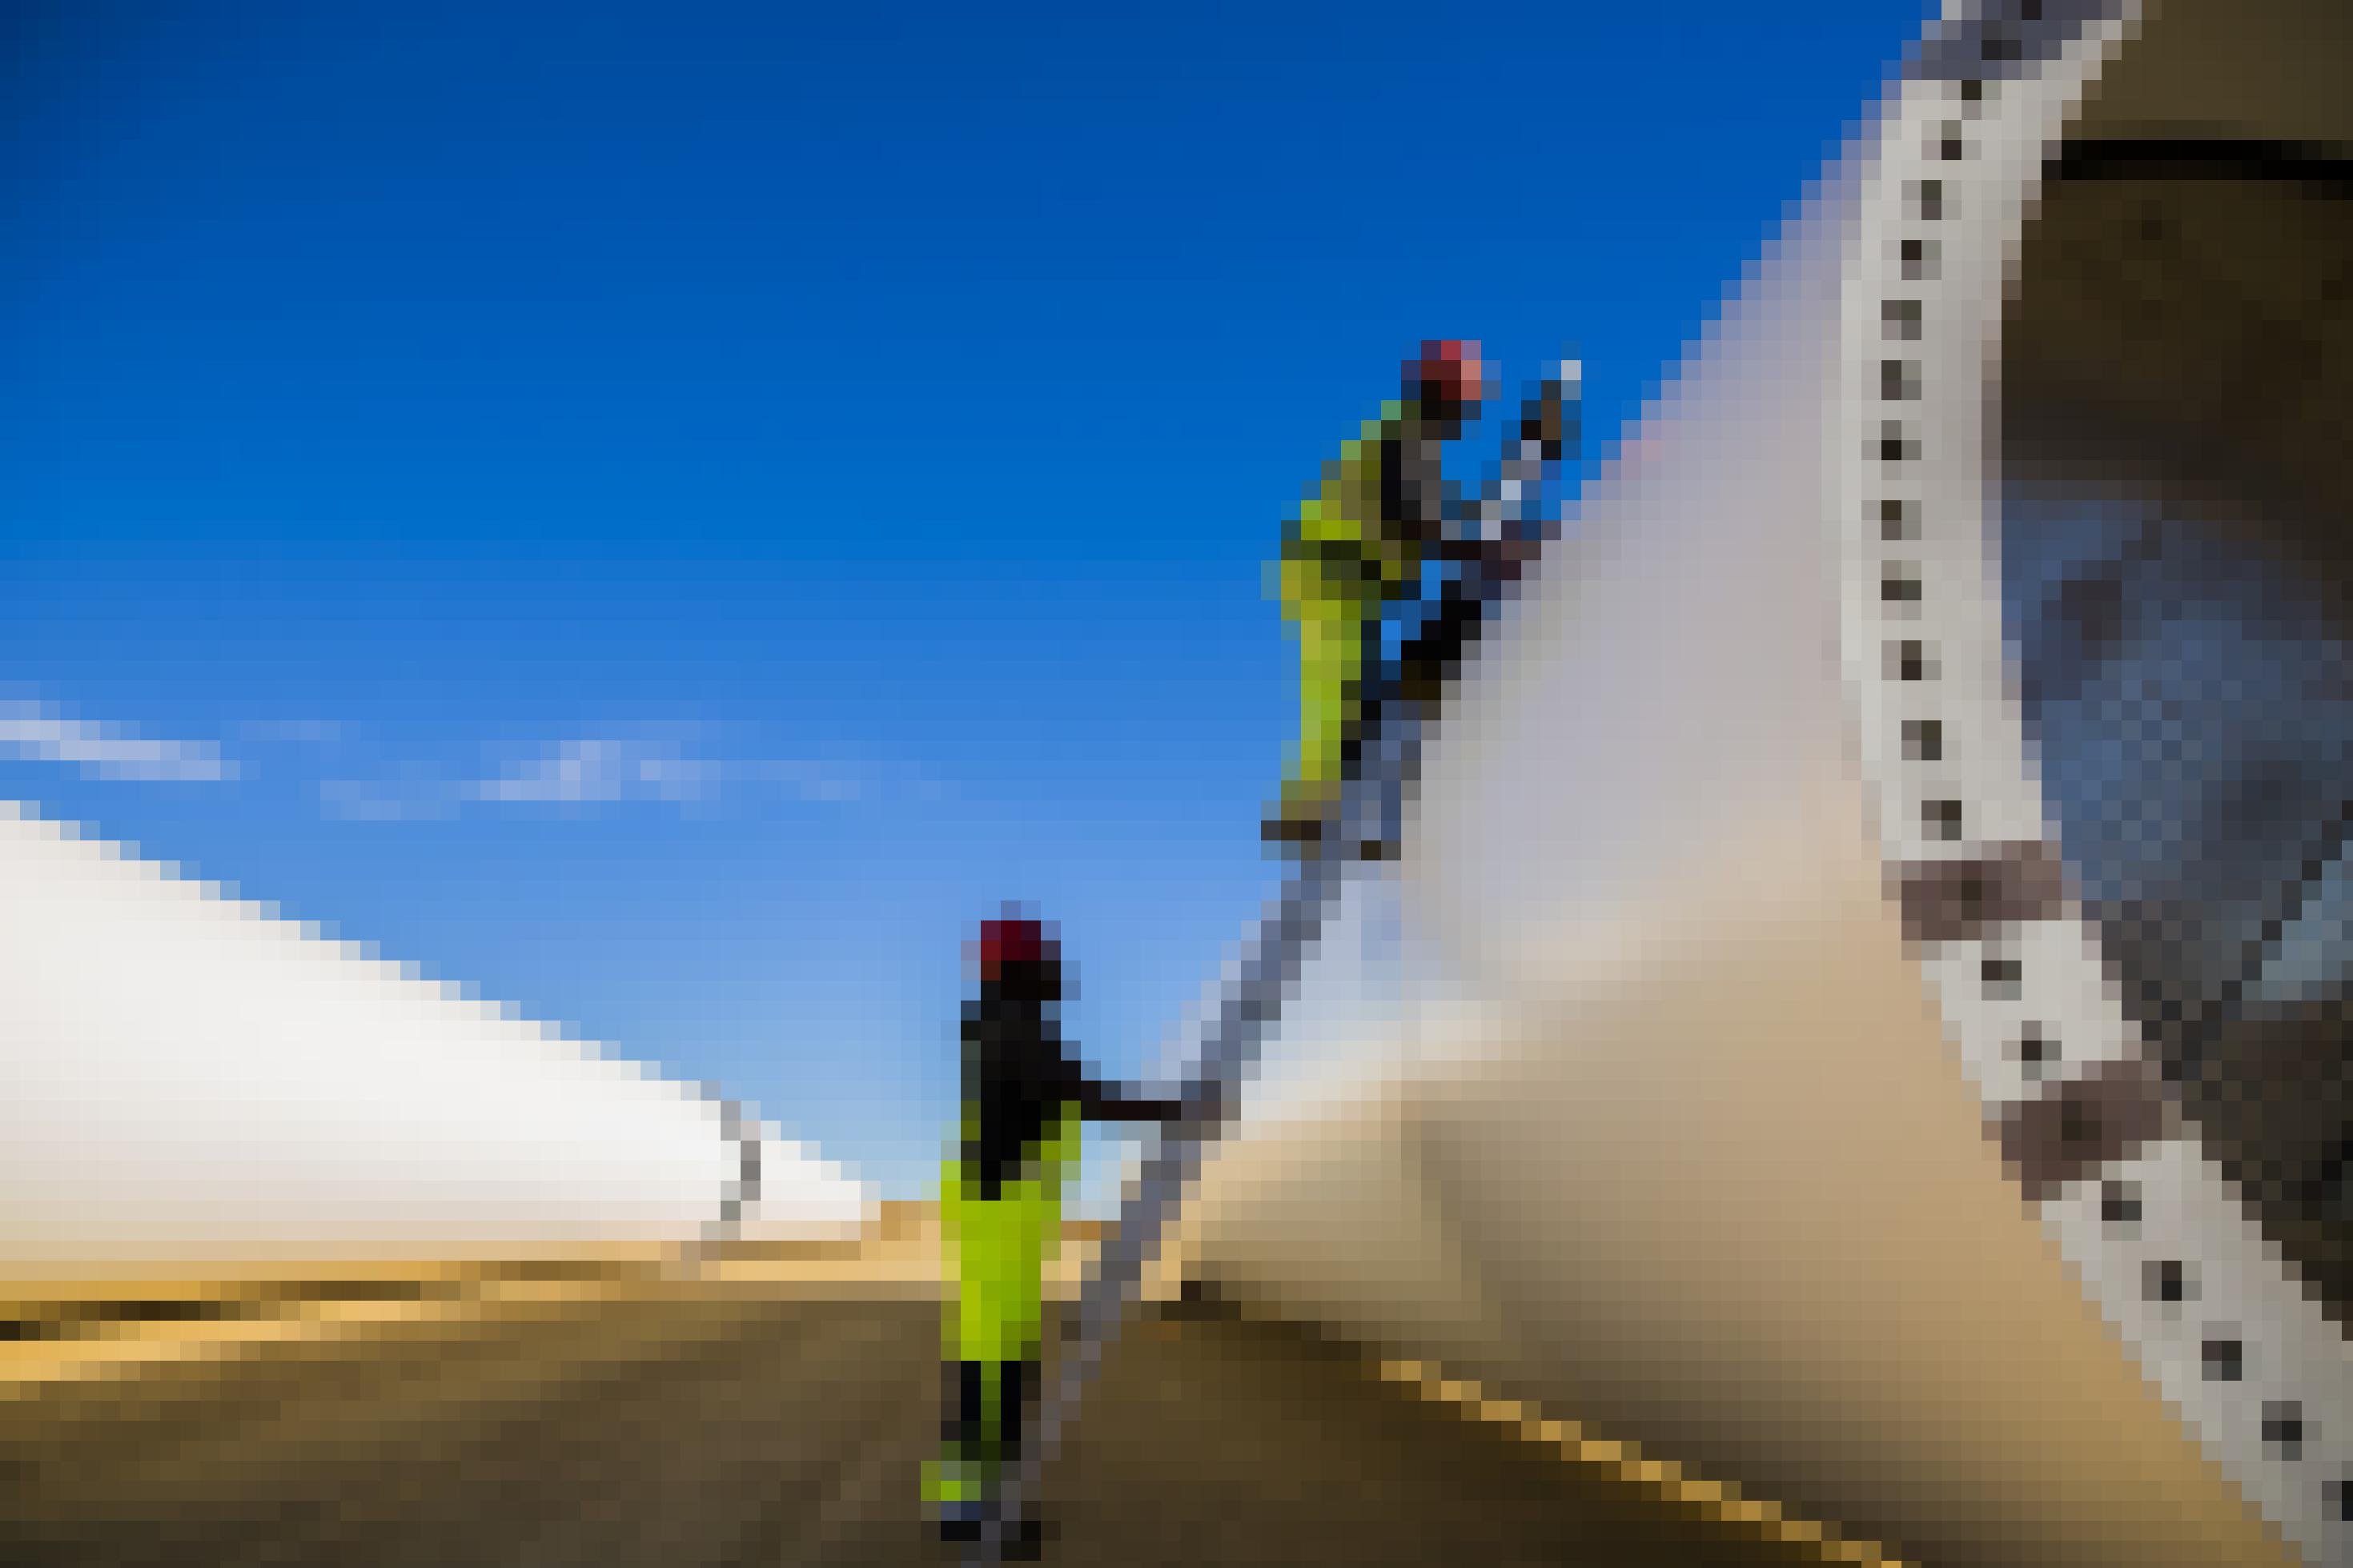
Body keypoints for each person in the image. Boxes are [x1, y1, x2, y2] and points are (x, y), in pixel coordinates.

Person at [924, 913, 1186, 1550]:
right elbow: (1070, 1091)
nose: (1053, 972)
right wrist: (1164, 1109)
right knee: (997, 1371)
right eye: (1043, 961)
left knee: (987, 1365)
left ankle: (971, 1505)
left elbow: (1059, 1091)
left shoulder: (996, 1027)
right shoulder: (1012, 1028)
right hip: (1000, 1217)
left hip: (996, 1216)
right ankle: (978, 1515)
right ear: (1023, 969)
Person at [1267, 340, 1491, 852]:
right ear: (1443, 391)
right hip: (1332, 568)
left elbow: (1423, 508)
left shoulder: (1414, 437)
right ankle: (1311, 812)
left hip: (1350, 575)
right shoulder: (1408, 431)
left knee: (1355, 695)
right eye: (1465, 396)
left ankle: (1336, 804)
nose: (1467, 410)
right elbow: (1419, 508)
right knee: (1339, 693)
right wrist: (1475, 538)